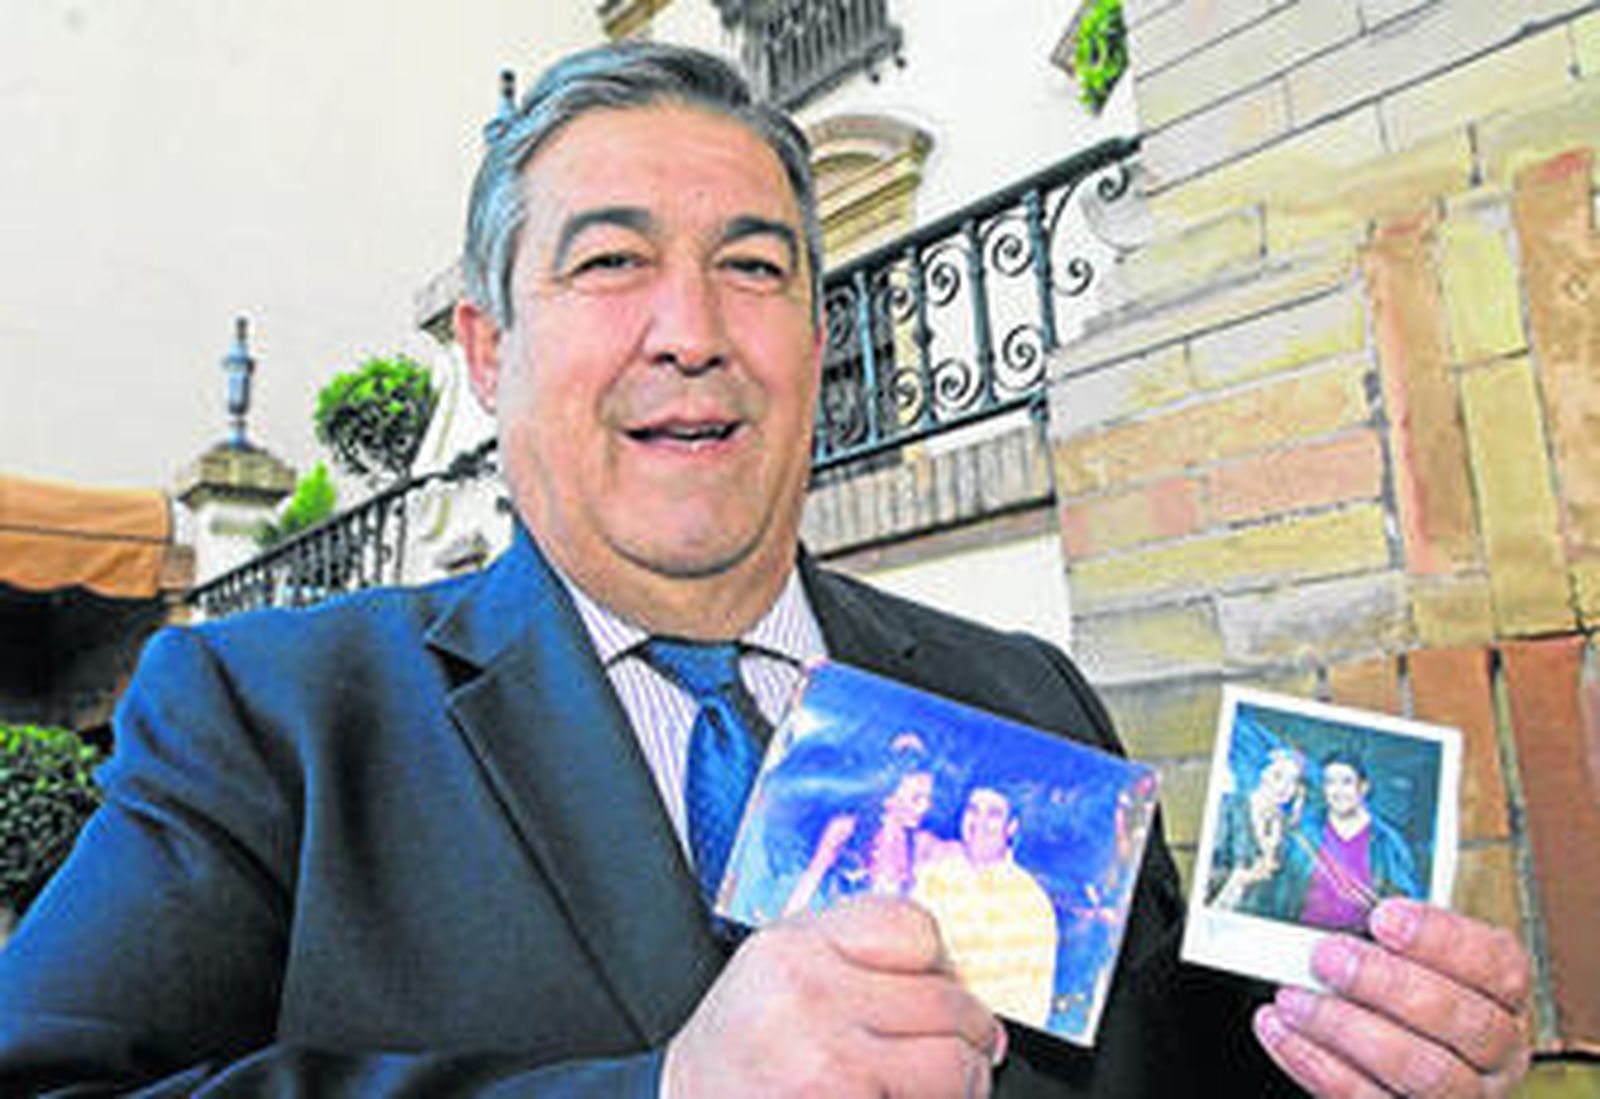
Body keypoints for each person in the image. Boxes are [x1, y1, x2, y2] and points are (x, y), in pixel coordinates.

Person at [0, 41, 1532, 1098]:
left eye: (754, 264)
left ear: (813, 331)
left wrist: (1353, 1050)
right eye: (608, 263)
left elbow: (1155, 1073)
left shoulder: (1025, 691)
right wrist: (661, 1087)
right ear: (488, 346)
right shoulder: (268, 715)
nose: (692, 327)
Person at [912, 785, 1058, 1028]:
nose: (979, 822)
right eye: (972, 810)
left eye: (993, 814)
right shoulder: (932, 876)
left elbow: (1031, 1006)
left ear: (1011, 827)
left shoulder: (1029, 901)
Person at [779, 733, 957, 916]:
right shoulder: (845, 829)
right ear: (888, 796)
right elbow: (808, 883)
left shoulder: (919, 844)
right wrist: (781, 927)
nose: (925, 808)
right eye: (916, 799)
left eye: (928, 798)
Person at [1296, 751, 1423, 933]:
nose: (1337, 791)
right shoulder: (1307, 829)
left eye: (1346, 782)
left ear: (1363, 787)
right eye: (1330, 782)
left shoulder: (1387, 842)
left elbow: (1408, 900)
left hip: (1359, 945)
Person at [1207, 747, 1309, 920]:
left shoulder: (1287, 828)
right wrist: (1241, 878)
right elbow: (1207, 872)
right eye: (1278, 776)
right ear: (1262, 775)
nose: (1285, 787)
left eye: (1293, 781)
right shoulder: (1229, 809)